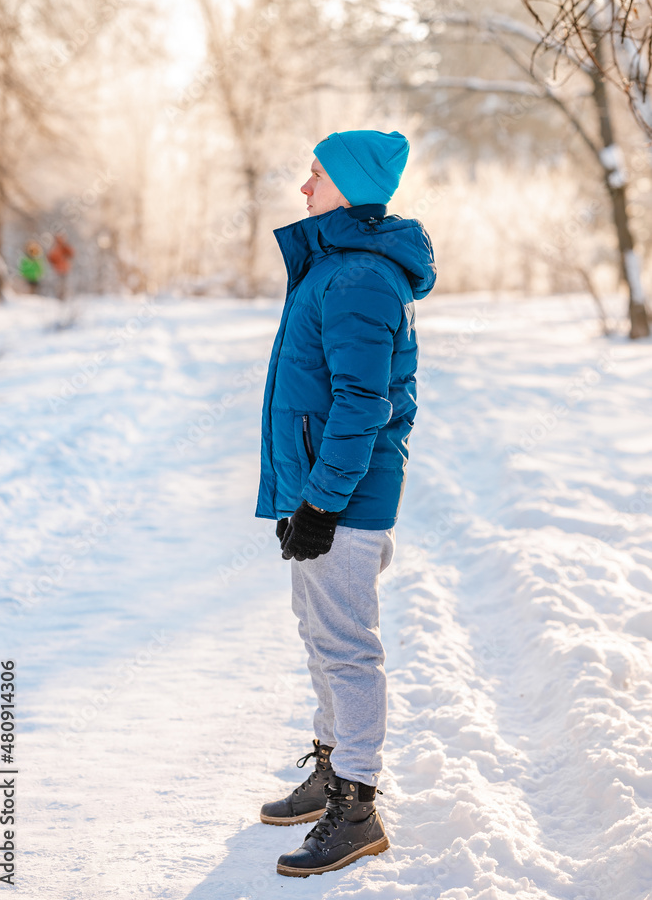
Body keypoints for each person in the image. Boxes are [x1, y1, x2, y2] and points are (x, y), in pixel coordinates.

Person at [255, 129, 437, 878]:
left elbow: (361, 404)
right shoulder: (336, 265)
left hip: (344, 501)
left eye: (315, 175)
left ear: (350, 186)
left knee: (345, 646)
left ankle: (356, 807)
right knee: (320, 632)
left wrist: (322, 505)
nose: (303, 189)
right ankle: (333, 767)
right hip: (323, 491)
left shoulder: (358, 276)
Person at [47, 232, 75, 300]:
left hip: (64, 269)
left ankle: (63, 295)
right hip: (59, 269)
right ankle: (59, 296)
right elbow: (50, 257)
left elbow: (72, 254)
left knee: (64, 283)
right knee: (59, 283)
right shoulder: (55, 248)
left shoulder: (64, 247)